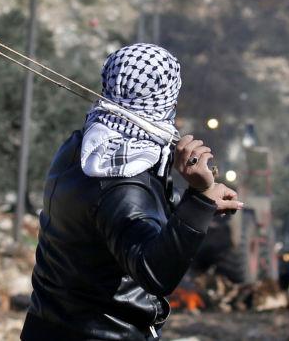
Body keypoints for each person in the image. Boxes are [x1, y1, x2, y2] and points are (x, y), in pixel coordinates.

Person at [21, 43, 242, 340]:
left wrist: (196, 201)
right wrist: (199, 201)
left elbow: (121, 216)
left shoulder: (80, 148)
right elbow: (154, 273)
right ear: (168, 99)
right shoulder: (121, 178)